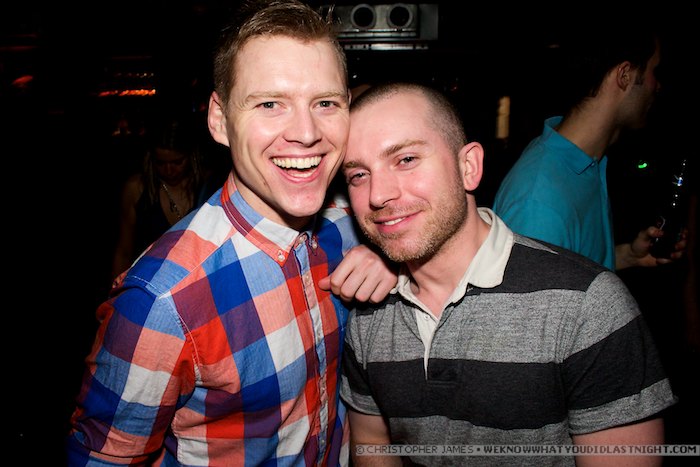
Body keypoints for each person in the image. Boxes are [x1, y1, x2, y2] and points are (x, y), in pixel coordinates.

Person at [66, 1, 396, 465]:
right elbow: (104, 459)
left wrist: (397, 257)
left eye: (325, 103)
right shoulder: (163, 303)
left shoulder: (357, 219)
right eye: (269, 104)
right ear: (220, 120)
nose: (306, 133)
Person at [338, 82, 676, 466]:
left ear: (468, 167)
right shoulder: (369, 311)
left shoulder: (589, 306)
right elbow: (372, 445)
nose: (378, 194)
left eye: (406, 159)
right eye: (358, 175)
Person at [492, 19, 683, 272]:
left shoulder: (586, 163)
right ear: (625, 75)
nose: (656, 85)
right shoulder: (539, 204)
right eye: (653, 72)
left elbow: (570, 271)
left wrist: (627, 255)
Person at [110, 114, 215, 279]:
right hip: (147, 280)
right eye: (160, 163)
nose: (168, 170)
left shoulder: (209, 187)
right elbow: (124, 250)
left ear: (191, 156)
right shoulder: (136, 189)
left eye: (177, 162)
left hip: (197, 280)